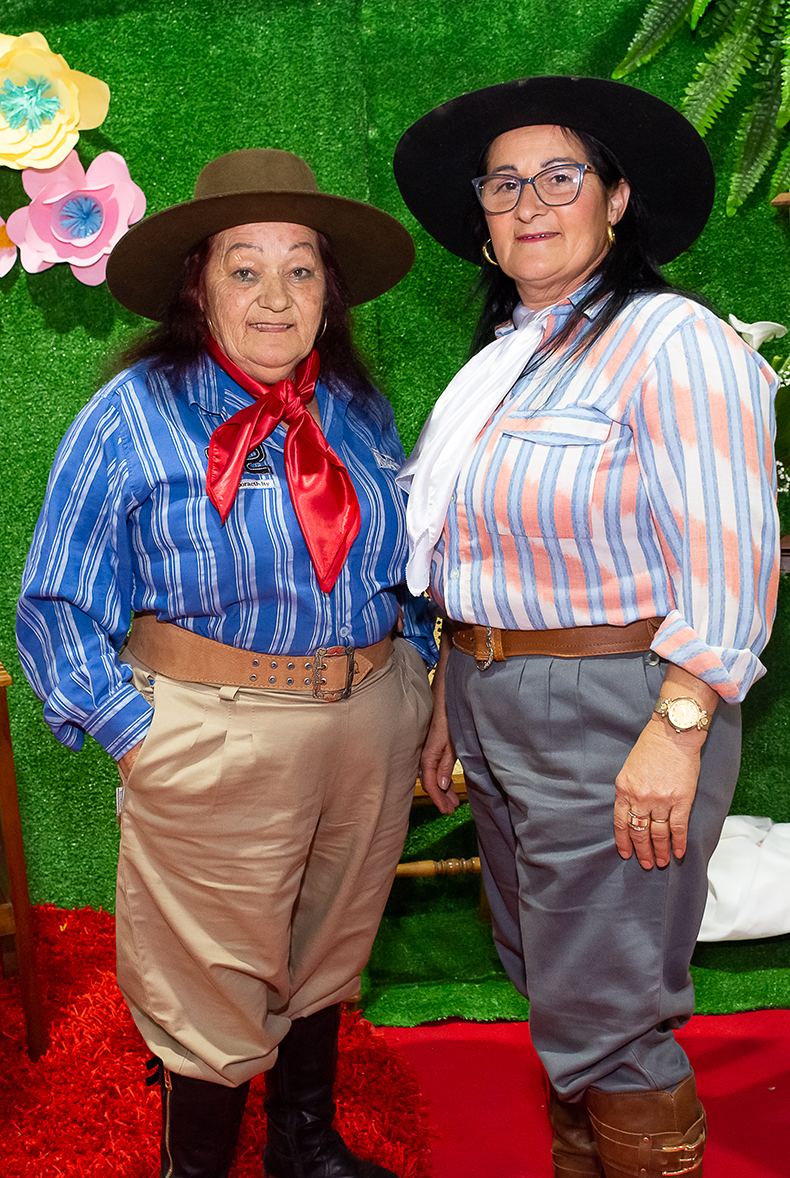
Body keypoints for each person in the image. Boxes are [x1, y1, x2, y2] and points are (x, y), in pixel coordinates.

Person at [17, 148, 435, 1178]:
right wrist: (137, 734)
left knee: (328, 947)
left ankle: (303, 1142)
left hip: (368, 725)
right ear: (197, 286)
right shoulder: (129, 416)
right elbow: (56, 599)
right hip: (214, 730)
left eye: (300, 270)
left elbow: (408, 561)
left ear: (330, 294)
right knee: (209, 980)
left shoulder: (358, 408)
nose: (274, 297)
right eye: (244, 269)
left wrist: (418, 679)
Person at [393, 76, 779, 1178]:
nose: (529, 202)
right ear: (481, 219)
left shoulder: (671, 339)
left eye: (560, 177)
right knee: (551, 975)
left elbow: (732, 551)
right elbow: (468, 559)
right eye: (503, 183)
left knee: (607, 1002)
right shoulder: (499, 365)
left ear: (616, 200)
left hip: (618, 703)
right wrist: (450, 696)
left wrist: (679, 724)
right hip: (493, 694)